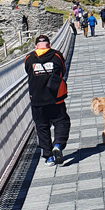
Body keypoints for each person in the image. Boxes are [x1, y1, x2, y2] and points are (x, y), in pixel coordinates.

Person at [25, 33, 70, 166]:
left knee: (42, 127)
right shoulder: (56, 55)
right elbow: (63, 70)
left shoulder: (29, 58)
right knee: (62, 122)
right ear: (49, 45)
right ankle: (58, 145)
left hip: (36, 99)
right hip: (55, 97)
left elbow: (28, 71)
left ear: (35, 46)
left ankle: (48, 157)